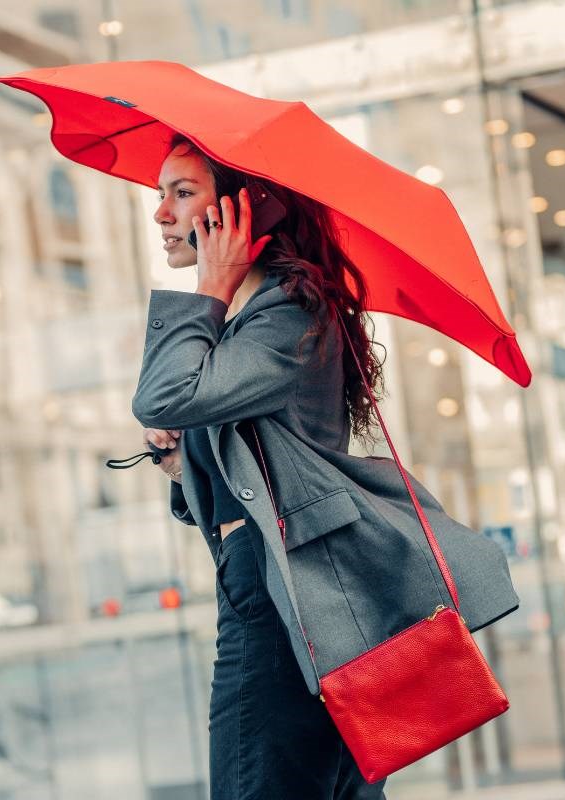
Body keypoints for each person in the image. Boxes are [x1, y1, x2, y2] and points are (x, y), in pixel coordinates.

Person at [138, 132, 388, 799]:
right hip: (277, 582)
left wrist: (209, 287)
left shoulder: (282, 316)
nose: (160, 213)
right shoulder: (251, 323)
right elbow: (240, 474)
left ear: (245, 210)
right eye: (160, 194)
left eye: (182, 194)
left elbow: (162, 395)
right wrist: (177, 460)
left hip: (281, 594)